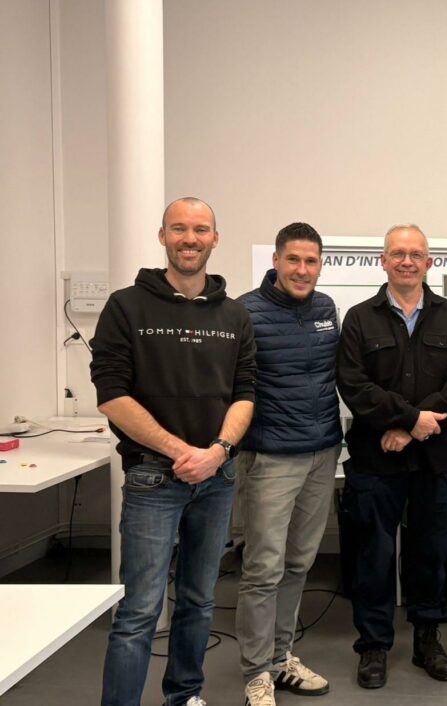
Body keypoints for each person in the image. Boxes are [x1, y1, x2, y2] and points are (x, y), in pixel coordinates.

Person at [92, 197, 256, 706]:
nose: (191, 238)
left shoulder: (234, 314)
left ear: (215, 238)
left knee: (199, 602)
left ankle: (184, 695)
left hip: (216, 480)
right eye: (179, 229)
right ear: (162, 236)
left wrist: (219, 451)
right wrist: (181, 450)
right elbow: (112, 395)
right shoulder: (126, 306)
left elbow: (245, 392)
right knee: (140, 611)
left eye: (201, 229)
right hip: (152, 480)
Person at [336, 224, 447, 688]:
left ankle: (427, 642)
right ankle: (374, 647)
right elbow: (354, 386)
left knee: (430, 554)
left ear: (428, 262)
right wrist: (405, 421)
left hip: (433, 462)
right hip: (376, 461)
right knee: (372, 557)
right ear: (384, 260)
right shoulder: (359, 318)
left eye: (416, 254)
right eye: (398, 253)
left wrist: (414, 430)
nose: (407, 261)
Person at [235, 222, 342, 706]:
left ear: (320, 265)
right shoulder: (245, 312)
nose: (303, 270)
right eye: (294, 260)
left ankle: (281, 658)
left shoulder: (325, 309)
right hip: (271, 457)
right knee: (264, 568)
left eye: (311, 261)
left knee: (299, 563)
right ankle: (256, 671)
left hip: (322, 452)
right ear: (275, 261)